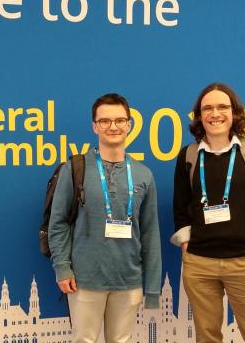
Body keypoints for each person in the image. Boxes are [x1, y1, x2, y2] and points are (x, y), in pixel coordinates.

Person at [171, 83, 245, 343]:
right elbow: (180, 206)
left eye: (222, 106)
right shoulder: (188, 156)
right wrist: (187, 246)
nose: (215, 113)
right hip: (200, 266)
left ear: (234, 113)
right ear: (199, 116)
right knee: (207, 337)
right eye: (207, 108)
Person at [48, 93, 161, 343]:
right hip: (85, 280)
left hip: (128, 281)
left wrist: (152, 288)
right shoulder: (74, 169)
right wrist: (62, 268)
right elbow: (58, 223)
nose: (113, 126)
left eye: (120, 120)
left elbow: (151, 234)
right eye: (105, 121)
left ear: (129, 125)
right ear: (95, 126)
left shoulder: (143, 175)